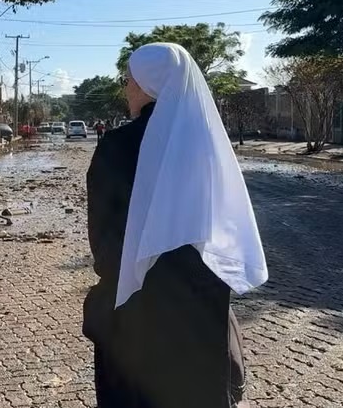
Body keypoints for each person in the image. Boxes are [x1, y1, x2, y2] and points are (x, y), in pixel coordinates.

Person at [84, 42, 267, 408]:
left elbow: (103, 245)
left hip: (135, 312)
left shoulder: (117, 146)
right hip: (200, 308)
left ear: (146, 85)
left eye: (128, 80)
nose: (125, 88)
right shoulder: (207, 147)